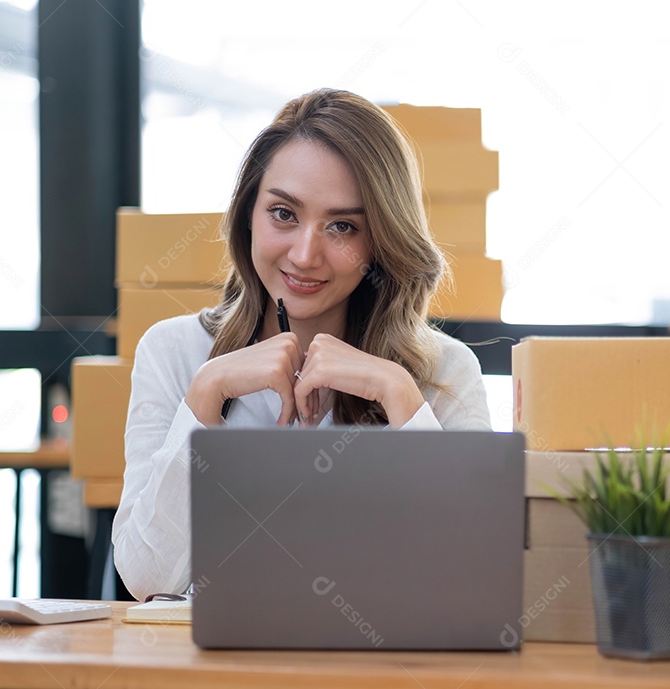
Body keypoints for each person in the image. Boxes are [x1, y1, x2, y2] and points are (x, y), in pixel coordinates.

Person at [111, 89, 493, 600]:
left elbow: (474, 579)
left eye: (342, 226)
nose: (306, 253)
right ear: (249, 214)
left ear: (380, 240)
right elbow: (144, 578)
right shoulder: (176, 352)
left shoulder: (443, 372)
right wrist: (207, 393)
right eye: (284, 214)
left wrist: (400, 395)